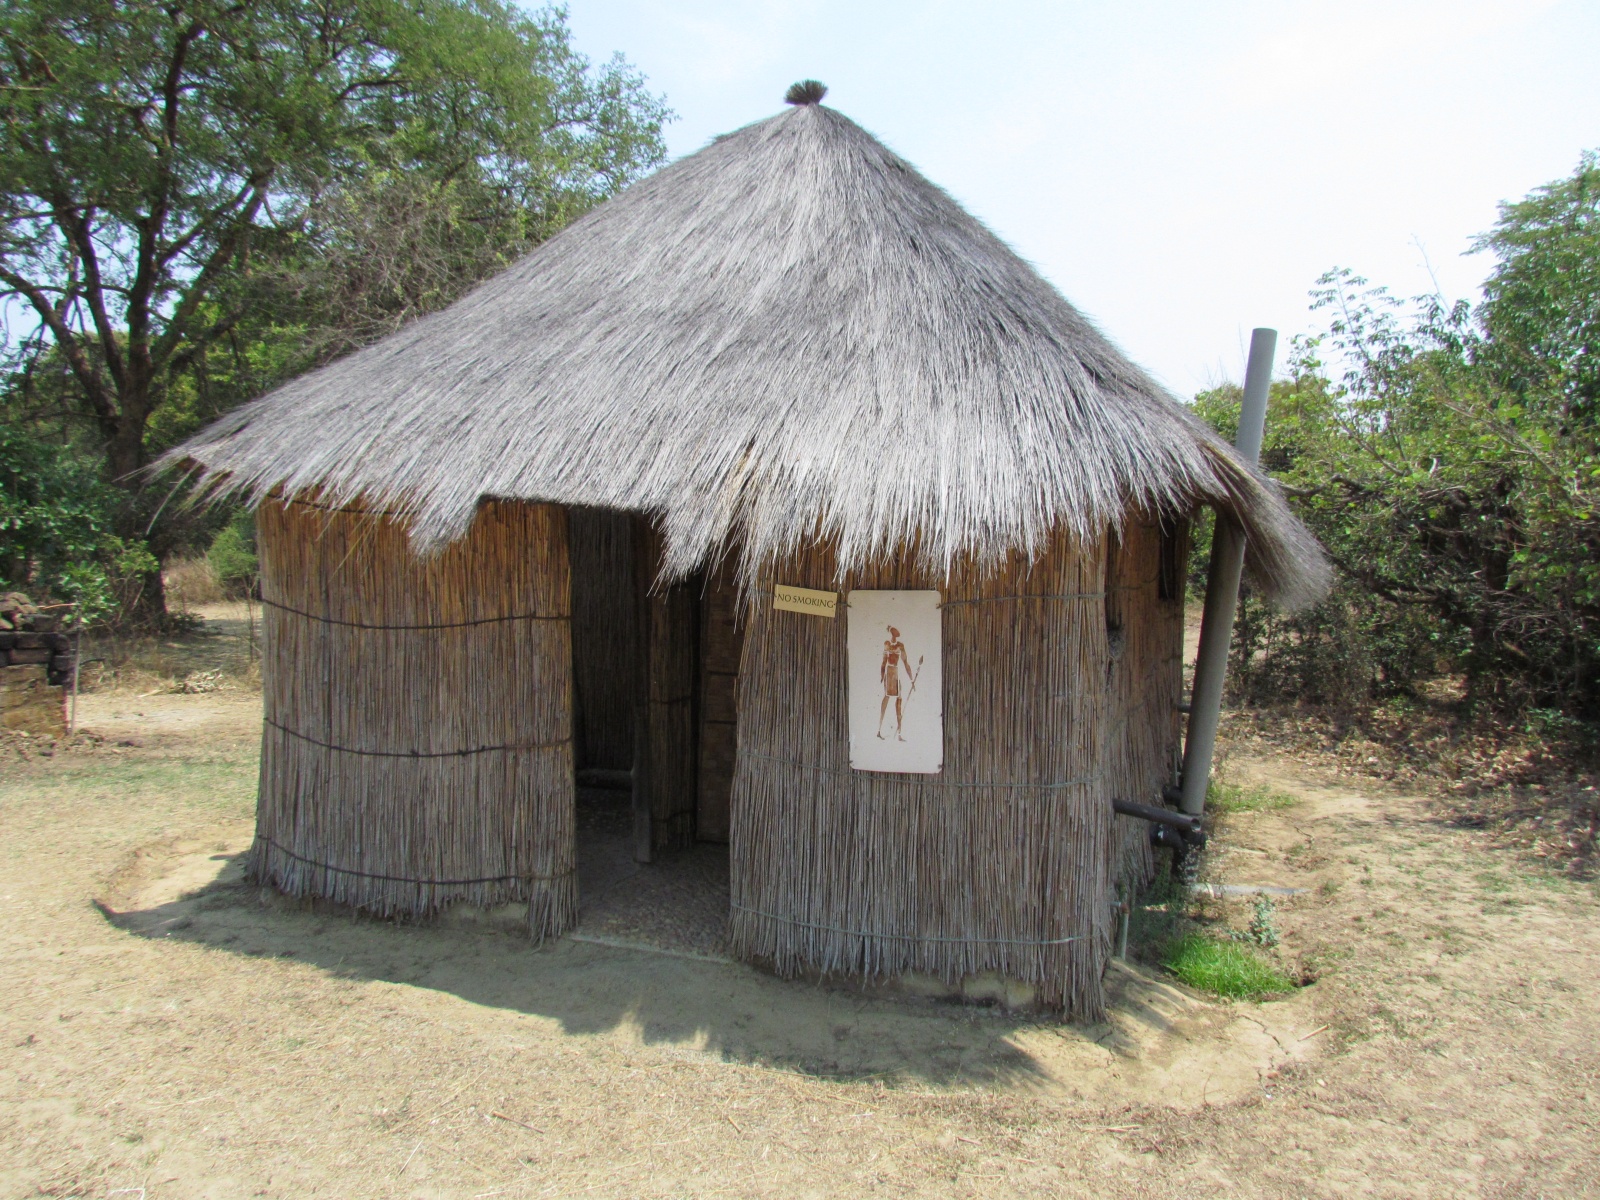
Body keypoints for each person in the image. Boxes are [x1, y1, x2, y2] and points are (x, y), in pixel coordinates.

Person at [876, 625, 917, 740]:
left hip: (895, 672)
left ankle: (899, 733)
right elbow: (884, 662)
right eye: (893, 633)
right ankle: (879, 730)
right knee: (887, 698)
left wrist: (911, 679)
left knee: (898, 699)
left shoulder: (900, 645)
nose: (894, 635)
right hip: (890, 672)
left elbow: (905, 662)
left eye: (896, 634)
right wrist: (882, 675)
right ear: (891, 634)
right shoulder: (887, 644)